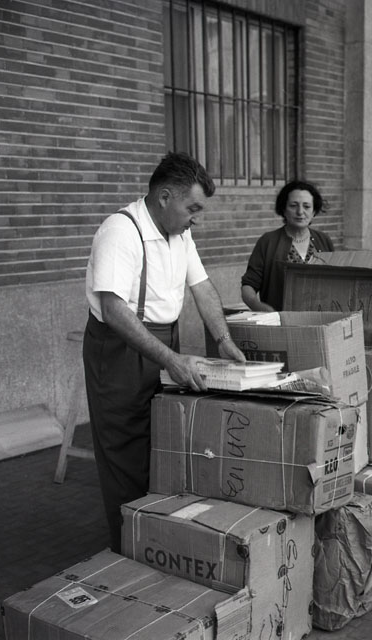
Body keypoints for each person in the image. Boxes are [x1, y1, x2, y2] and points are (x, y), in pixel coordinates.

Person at [82, 151, 245, 553]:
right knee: (126, 454)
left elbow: (202, 286)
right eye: (193, 208)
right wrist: (172, 359)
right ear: (165, 197)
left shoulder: (180, 233)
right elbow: (113, 310)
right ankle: (128, 550)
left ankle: (156, 543)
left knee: (162, 443)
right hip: (120, 349)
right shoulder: (121, 231)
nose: (196, 218)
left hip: (161, 341)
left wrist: (223, 339)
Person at [241, 180, 334, 311]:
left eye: (307, 206)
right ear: (284, 209)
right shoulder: (268, 241)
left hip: (320, 318)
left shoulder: (323, 240)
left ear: (314, 211)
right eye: (293, 205)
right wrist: (259, 307)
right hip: (280, 319)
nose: (300, 212)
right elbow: (248, 285)